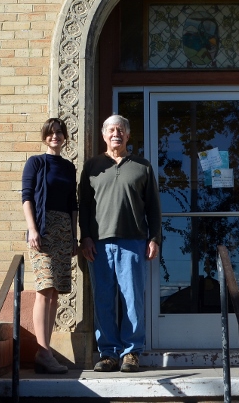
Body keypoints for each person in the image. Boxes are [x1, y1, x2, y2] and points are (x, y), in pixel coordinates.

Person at [79, 114, 161, 373]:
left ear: (127, 135)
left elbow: (154, 208)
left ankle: (132, 353)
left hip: (133, 241)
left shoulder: (142, 166)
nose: (116, 133)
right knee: (103, 299)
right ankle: (108, 353)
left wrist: (155, 238)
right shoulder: (92, 167)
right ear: (104, 135)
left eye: (121, 130)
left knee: (132, 298)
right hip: (99, 244)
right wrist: (86, 237)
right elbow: (84, 208)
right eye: (111, 129)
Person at [22, 117, 78, 375]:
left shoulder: (68, 167)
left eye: (59, 132)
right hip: (43, 231)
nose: (55, 136)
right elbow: (27, 197)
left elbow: (72, 204)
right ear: (44, 136)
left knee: (56, 291)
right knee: (44, 289)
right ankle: (43, 351)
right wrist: (33, 229)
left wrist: (74, 237)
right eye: (51, 133)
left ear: (65, 137)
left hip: (64, 230)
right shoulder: (36, 162)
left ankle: (45, 352)